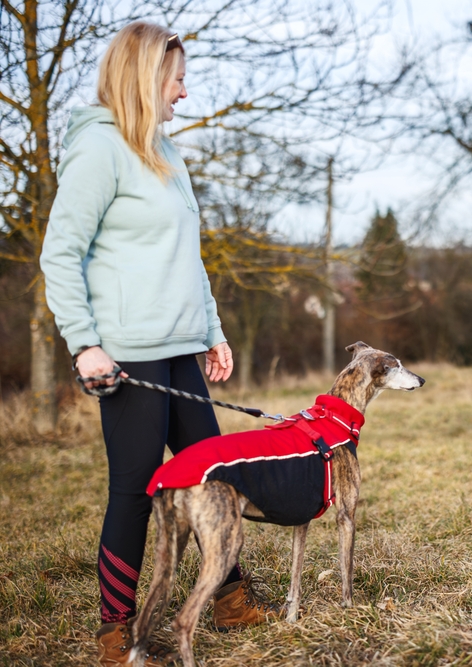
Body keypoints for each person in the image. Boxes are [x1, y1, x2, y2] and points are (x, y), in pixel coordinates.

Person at [39, 22, 280, 666]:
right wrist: (84, 345)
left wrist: (212, 329)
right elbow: (60, 255)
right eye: (177, 78)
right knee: (136, 489)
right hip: (127, 354)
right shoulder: (99, 150)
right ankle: (115, 631)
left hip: (179, 346)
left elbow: (188, 258)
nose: (184, 90)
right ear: (146, 78)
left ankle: (227, 599)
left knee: (211, 473)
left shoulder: (166, 153)